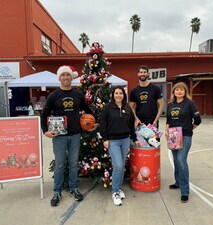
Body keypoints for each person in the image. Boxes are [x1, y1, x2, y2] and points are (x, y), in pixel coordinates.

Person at [41, 65, 94, 207]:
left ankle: (73, 188)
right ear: (60, 77)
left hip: (75, 134)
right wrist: (45, 131)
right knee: (59, 165)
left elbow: (87, 110)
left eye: (68, 75)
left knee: (72, 163)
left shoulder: (78, 94)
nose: (66, 77)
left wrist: (92, 122)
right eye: (63, 75)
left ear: (72, 77)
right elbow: (44, 114)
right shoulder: (54, 95)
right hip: (59, 135)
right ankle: (57, 191)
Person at [100, 86, 140, 206]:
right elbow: (103, 123)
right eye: (116, 93)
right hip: (113, 141)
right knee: (117, 165)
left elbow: (131, 125)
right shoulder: (108, 108)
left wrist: (135, 138)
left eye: (120, 93)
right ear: (113, 95)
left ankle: (119, 188)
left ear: (124, 95)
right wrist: (105, 138)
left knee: (122, 165)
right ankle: (115, 192)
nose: (118, 95)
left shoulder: (128, 108)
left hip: (125, 140)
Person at [165, 82, 201, 203]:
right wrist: (166, 131)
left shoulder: (190, 104)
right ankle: (178, 182)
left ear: (185, 92)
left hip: (185, 135)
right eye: (177, 90)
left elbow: (198, 120)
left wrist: (190, 128)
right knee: (176, 160)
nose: (179, 92)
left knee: (181, 160)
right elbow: (168, 119)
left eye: (181, 90)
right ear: (173, 92)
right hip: (173, 135)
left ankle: (185, 191)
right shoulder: (170, 104)